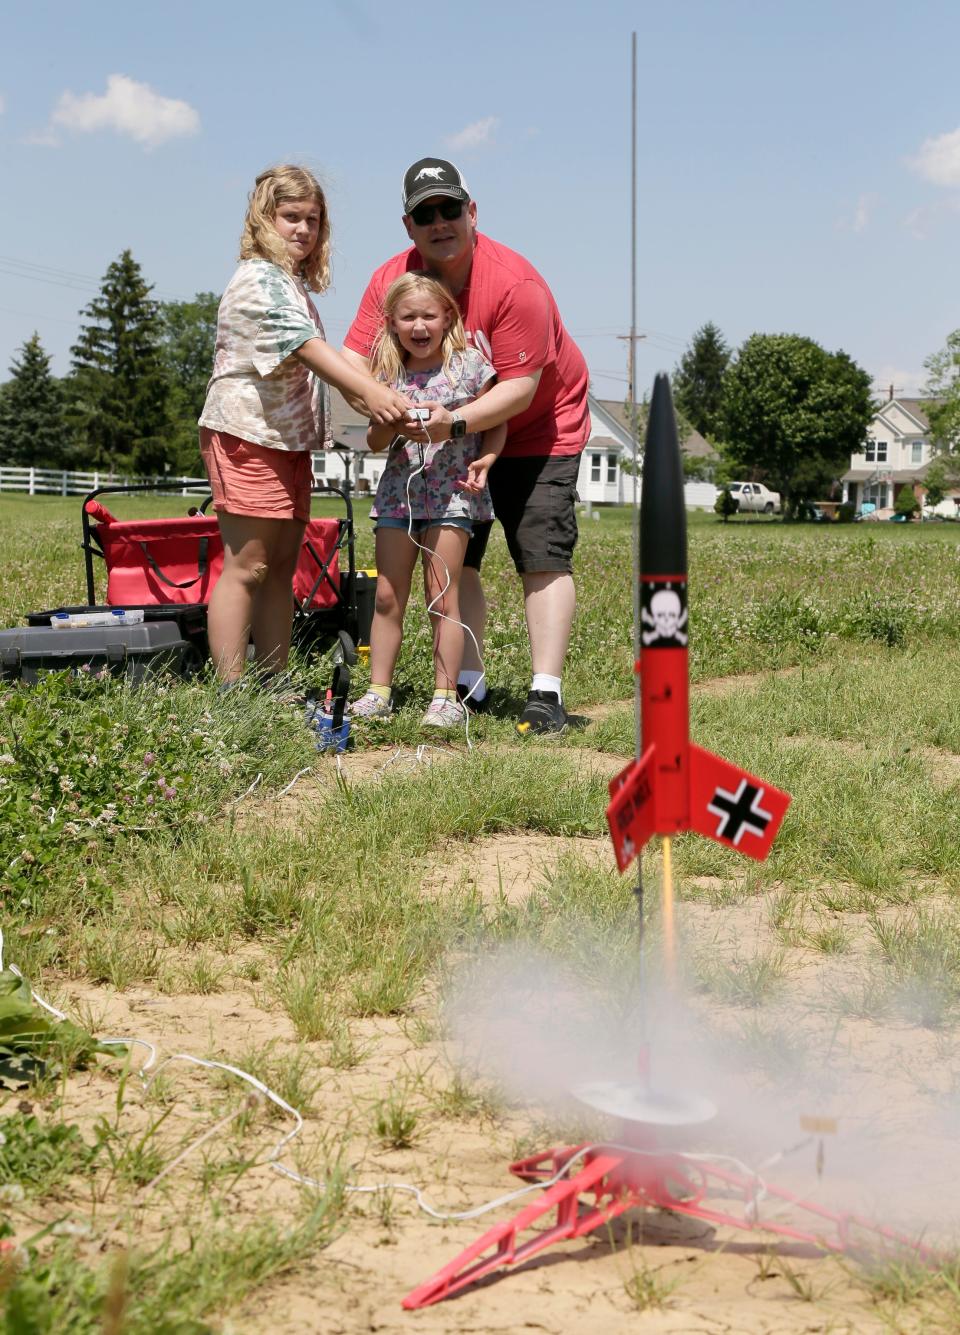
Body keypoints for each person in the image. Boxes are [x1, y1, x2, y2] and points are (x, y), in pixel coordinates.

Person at [342, 157, 591, 735]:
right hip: (441, 447)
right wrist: (383, 407)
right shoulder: (391, 280)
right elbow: (354, 364)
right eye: (424, 213)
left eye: (450, 208)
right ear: (408, 226)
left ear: (472, 212)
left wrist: (453, 426)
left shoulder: (515, 283)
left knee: (540, 552)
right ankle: (468, 683)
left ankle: (544, 692)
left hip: (538, 424)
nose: (439, 222)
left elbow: (520, 389)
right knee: (463, 563)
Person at [198, 165, 411, 687]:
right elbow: (308, 350)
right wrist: (367, 392)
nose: (303, 230)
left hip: (288, 441)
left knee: (281, 565)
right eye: (290, 217)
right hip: (248, 434)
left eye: (312, 220)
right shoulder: (257, 279)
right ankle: (231, 693)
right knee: (248, 565)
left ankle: (273, 684)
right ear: (263, 220)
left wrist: (371, 388)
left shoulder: (291, 285)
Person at [350, 273, 505, 728]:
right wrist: (393, 420)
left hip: (453, 497)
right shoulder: (387, 374)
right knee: (385, 595)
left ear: (447, 318)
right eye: (408, 317)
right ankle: (378, 691)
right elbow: (375, 442)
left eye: (428, 316)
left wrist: (488, 460)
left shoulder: (471, 365)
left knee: (442, 596)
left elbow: (497, 418)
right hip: (399, 498)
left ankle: (445, 697)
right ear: (393, 323)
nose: (419, 326)